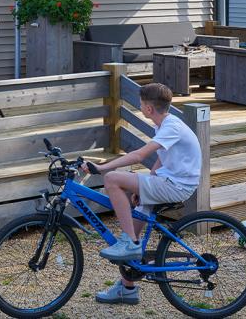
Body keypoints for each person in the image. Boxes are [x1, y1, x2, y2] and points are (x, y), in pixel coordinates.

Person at [80, 83, 201, 306]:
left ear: (147, 108)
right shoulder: (164, 124)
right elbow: (161, 157)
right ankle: (127, 288)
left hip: (176, 185)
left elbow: (139, 155)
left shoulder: (171, 126)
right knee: (131, 229)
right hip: (168, 180)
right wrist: (145, 184)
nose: (140, 106)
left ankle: (131, 242)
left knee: (112, 179)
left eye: (141, 104)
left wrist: (104, 167)